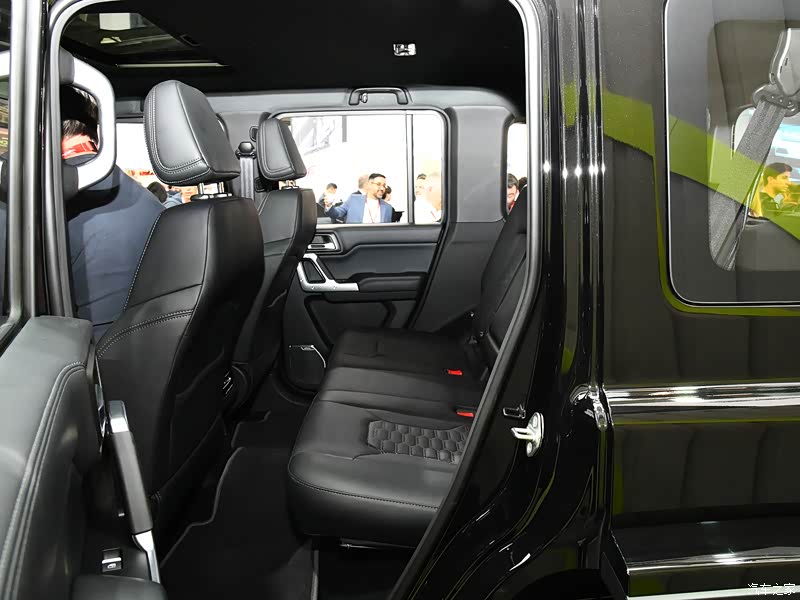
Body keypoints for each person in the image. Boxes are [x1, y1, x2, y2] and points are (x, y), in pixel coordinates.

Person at [62, 86, 163, 339]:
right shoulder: (144, 198)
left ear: (40, 131)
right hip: (146, 344)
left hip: (86, 356)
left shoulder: (38, 200)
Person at [325, 172, 393, 224]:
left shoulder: (388, 208)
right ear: (369, 184)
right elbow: (336, 214)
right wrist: (329, 206)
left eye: (384, 185)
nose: (382, 188)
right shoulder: (353, 200)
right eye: (378, 184)